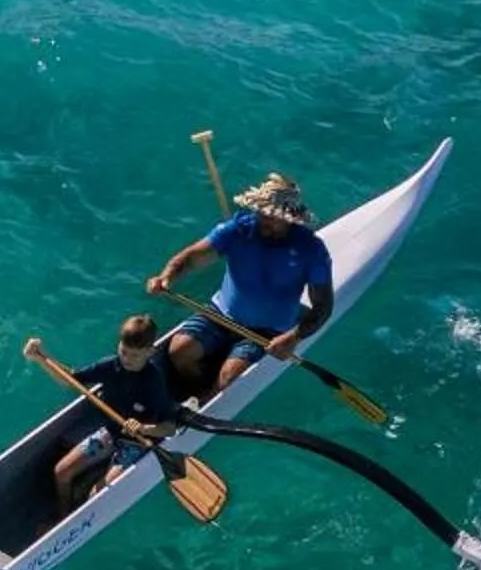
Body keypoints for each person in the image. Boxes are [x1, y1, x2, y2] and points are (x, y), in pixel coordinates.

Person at [149, 171, 334, 395]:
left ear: (288, 219)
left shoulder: (311, 251)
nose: (263, 220)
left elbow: (323, 306)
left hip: (268, 332)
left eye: (271, 216)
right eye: (261, 213)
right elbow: (190, 258)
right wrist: (167, 276)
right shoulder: (238, 229)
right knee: (179, 350)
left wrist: (293, 337)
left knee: (229, 379)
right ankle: (197, 391)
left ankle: (210, 399)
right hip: (220, 314)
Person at [41, 314, 176, 512]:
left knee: (95, 498)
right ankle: (63, 516)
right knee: (61, 472)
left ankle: (91, 487)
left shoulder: (153, 382)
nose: (126, 359)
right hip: (111, 432)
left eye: (135, 355)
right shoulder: (110, 365)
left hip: (138, 443)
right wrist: (41, 357)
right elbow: (71, 379)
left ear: (150, 352)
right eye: (123, 351)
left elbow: (170, 429)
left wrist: (143, 428)